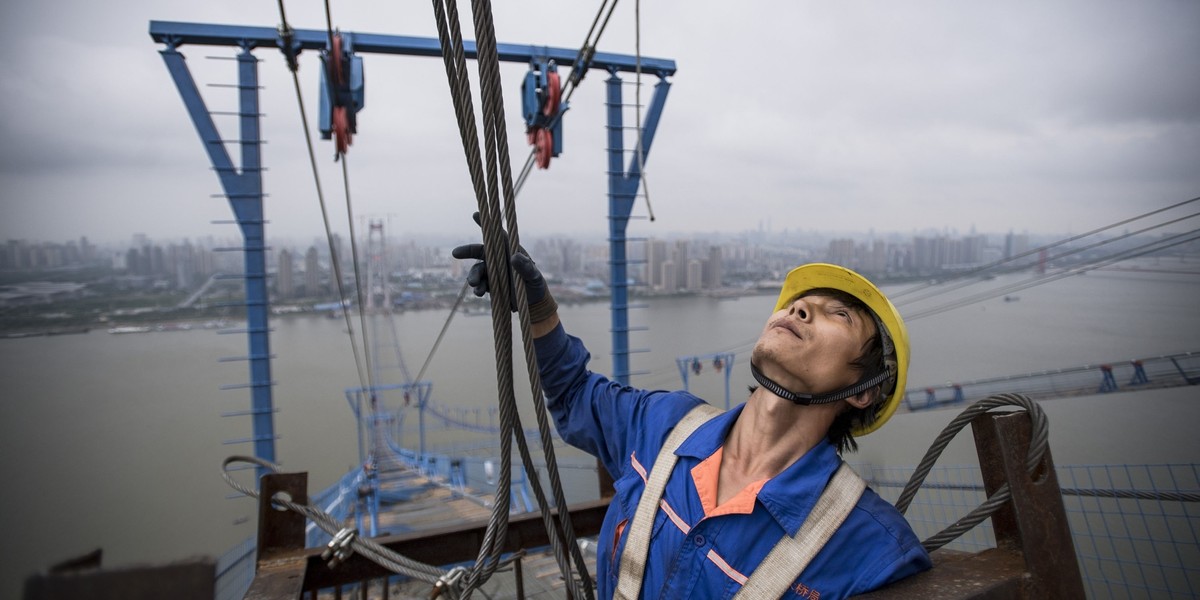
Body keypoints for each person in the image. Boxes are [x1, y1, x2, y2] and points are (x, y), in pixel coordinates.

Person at [453, 240, 931, 599]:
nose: (798, 307)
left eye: (839, 314)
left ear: (865, 389)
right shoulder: (664, 425)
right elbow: (574, 393)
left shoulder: (872, 549)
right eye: (795, 303)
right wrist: (538, 308)